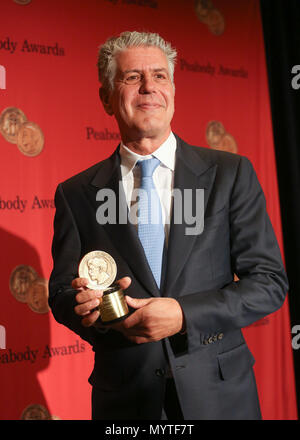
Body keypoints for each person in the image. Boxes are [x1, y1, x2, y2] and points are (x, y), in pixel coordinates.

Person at [48, 31, 288, 420]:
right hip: (127, 400)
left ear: (173, 89)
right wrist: (83, 308)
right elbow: (61, 294)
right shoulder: (75, 194)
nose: (148, 88)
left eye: (160, 76)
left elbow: (268, 283)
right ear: (106, 97)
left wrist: (183, 314)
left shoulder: (229, 174)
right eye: (131, 77)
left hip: (220, 395)